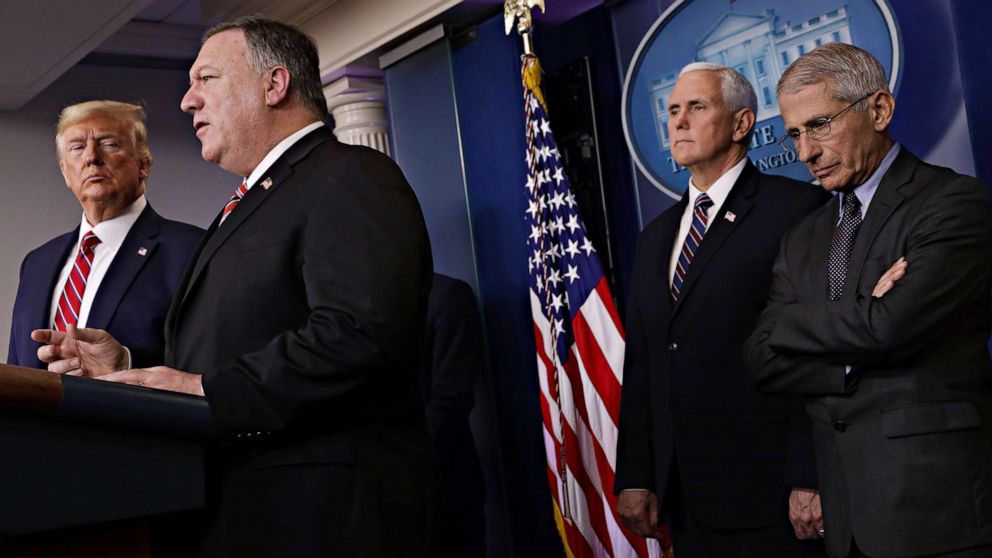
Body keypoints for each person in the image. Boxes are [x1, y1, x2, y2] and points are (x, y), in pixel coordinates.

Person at [34, 17, 433, 557]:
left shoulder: (350, 175)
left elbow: (355, 334)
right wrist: (128, 369)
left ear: (274, 85)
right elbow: (232, 345)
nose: (186, 101)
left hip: (323, 516)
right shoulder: (251, 202)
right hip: (246, 511)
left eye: (207, 79)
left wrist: (203, 390)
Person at [746, 42, 992, 558]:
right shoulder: (804, 234)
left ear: (878, 110)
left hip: (936, 513)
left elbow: (891, 326)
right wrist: (854, 352)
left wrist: (797, 323)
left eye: (820, 125)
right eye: (794, 134)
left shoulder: (952, 204)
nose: (805, 152)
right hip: (844, 518)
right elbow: (762, 356)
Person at [614, 62, 830, 557]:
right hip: (684, 498)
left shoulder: (797, 211)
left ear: (741, 123)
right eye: (672, 110)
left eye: (696, 107)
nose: (679, 122)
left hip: (769, 493)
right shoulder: (654, 239)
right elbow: (645, 359)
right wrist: (638, 474)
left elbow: (813, 353)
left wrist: (808, 472)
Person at [7, 100, 202, 369]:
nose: (91, 157)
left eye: (108, 144)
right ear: (66, 172)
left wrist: (128, 362)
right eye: (77, 148)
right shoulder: (37, 263)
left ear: (143, 165)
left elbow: (208, 362)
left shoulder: (192, 251)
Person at [419, 273, 486, 557]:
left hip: (443, 490)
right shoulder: (353, 302)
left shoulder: (447, 296)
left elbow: (450, 402)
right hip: (377, 500)